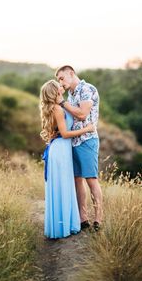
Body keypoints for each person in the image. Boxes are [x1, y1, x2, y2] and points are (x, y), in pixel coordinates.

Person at [40, 80, 95, 239]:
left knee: (63, 186)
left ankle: (64, 224)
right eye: (58, 85)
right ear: (54, 91)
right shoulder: (57, 108)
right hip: (60, 150)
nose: (61, 85)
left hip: (61, 149)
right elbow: (64, 134)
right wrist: (87, 129)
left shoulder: (59, 106)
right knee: (62, 186)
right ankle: (63, 227)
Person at [55, 65, 103, 231]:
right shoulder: (71, 94)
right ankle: (83, 218)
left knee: (91, 179)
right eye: (58, 80)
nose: (60, 82)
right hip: (72, 142)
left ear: (71, 73)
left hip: (87, 140)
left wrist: (62, 102)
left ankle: (98, 219)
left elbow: (82, 114)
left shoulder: (87, 89)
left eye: (62, 78)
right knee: (77, 180)